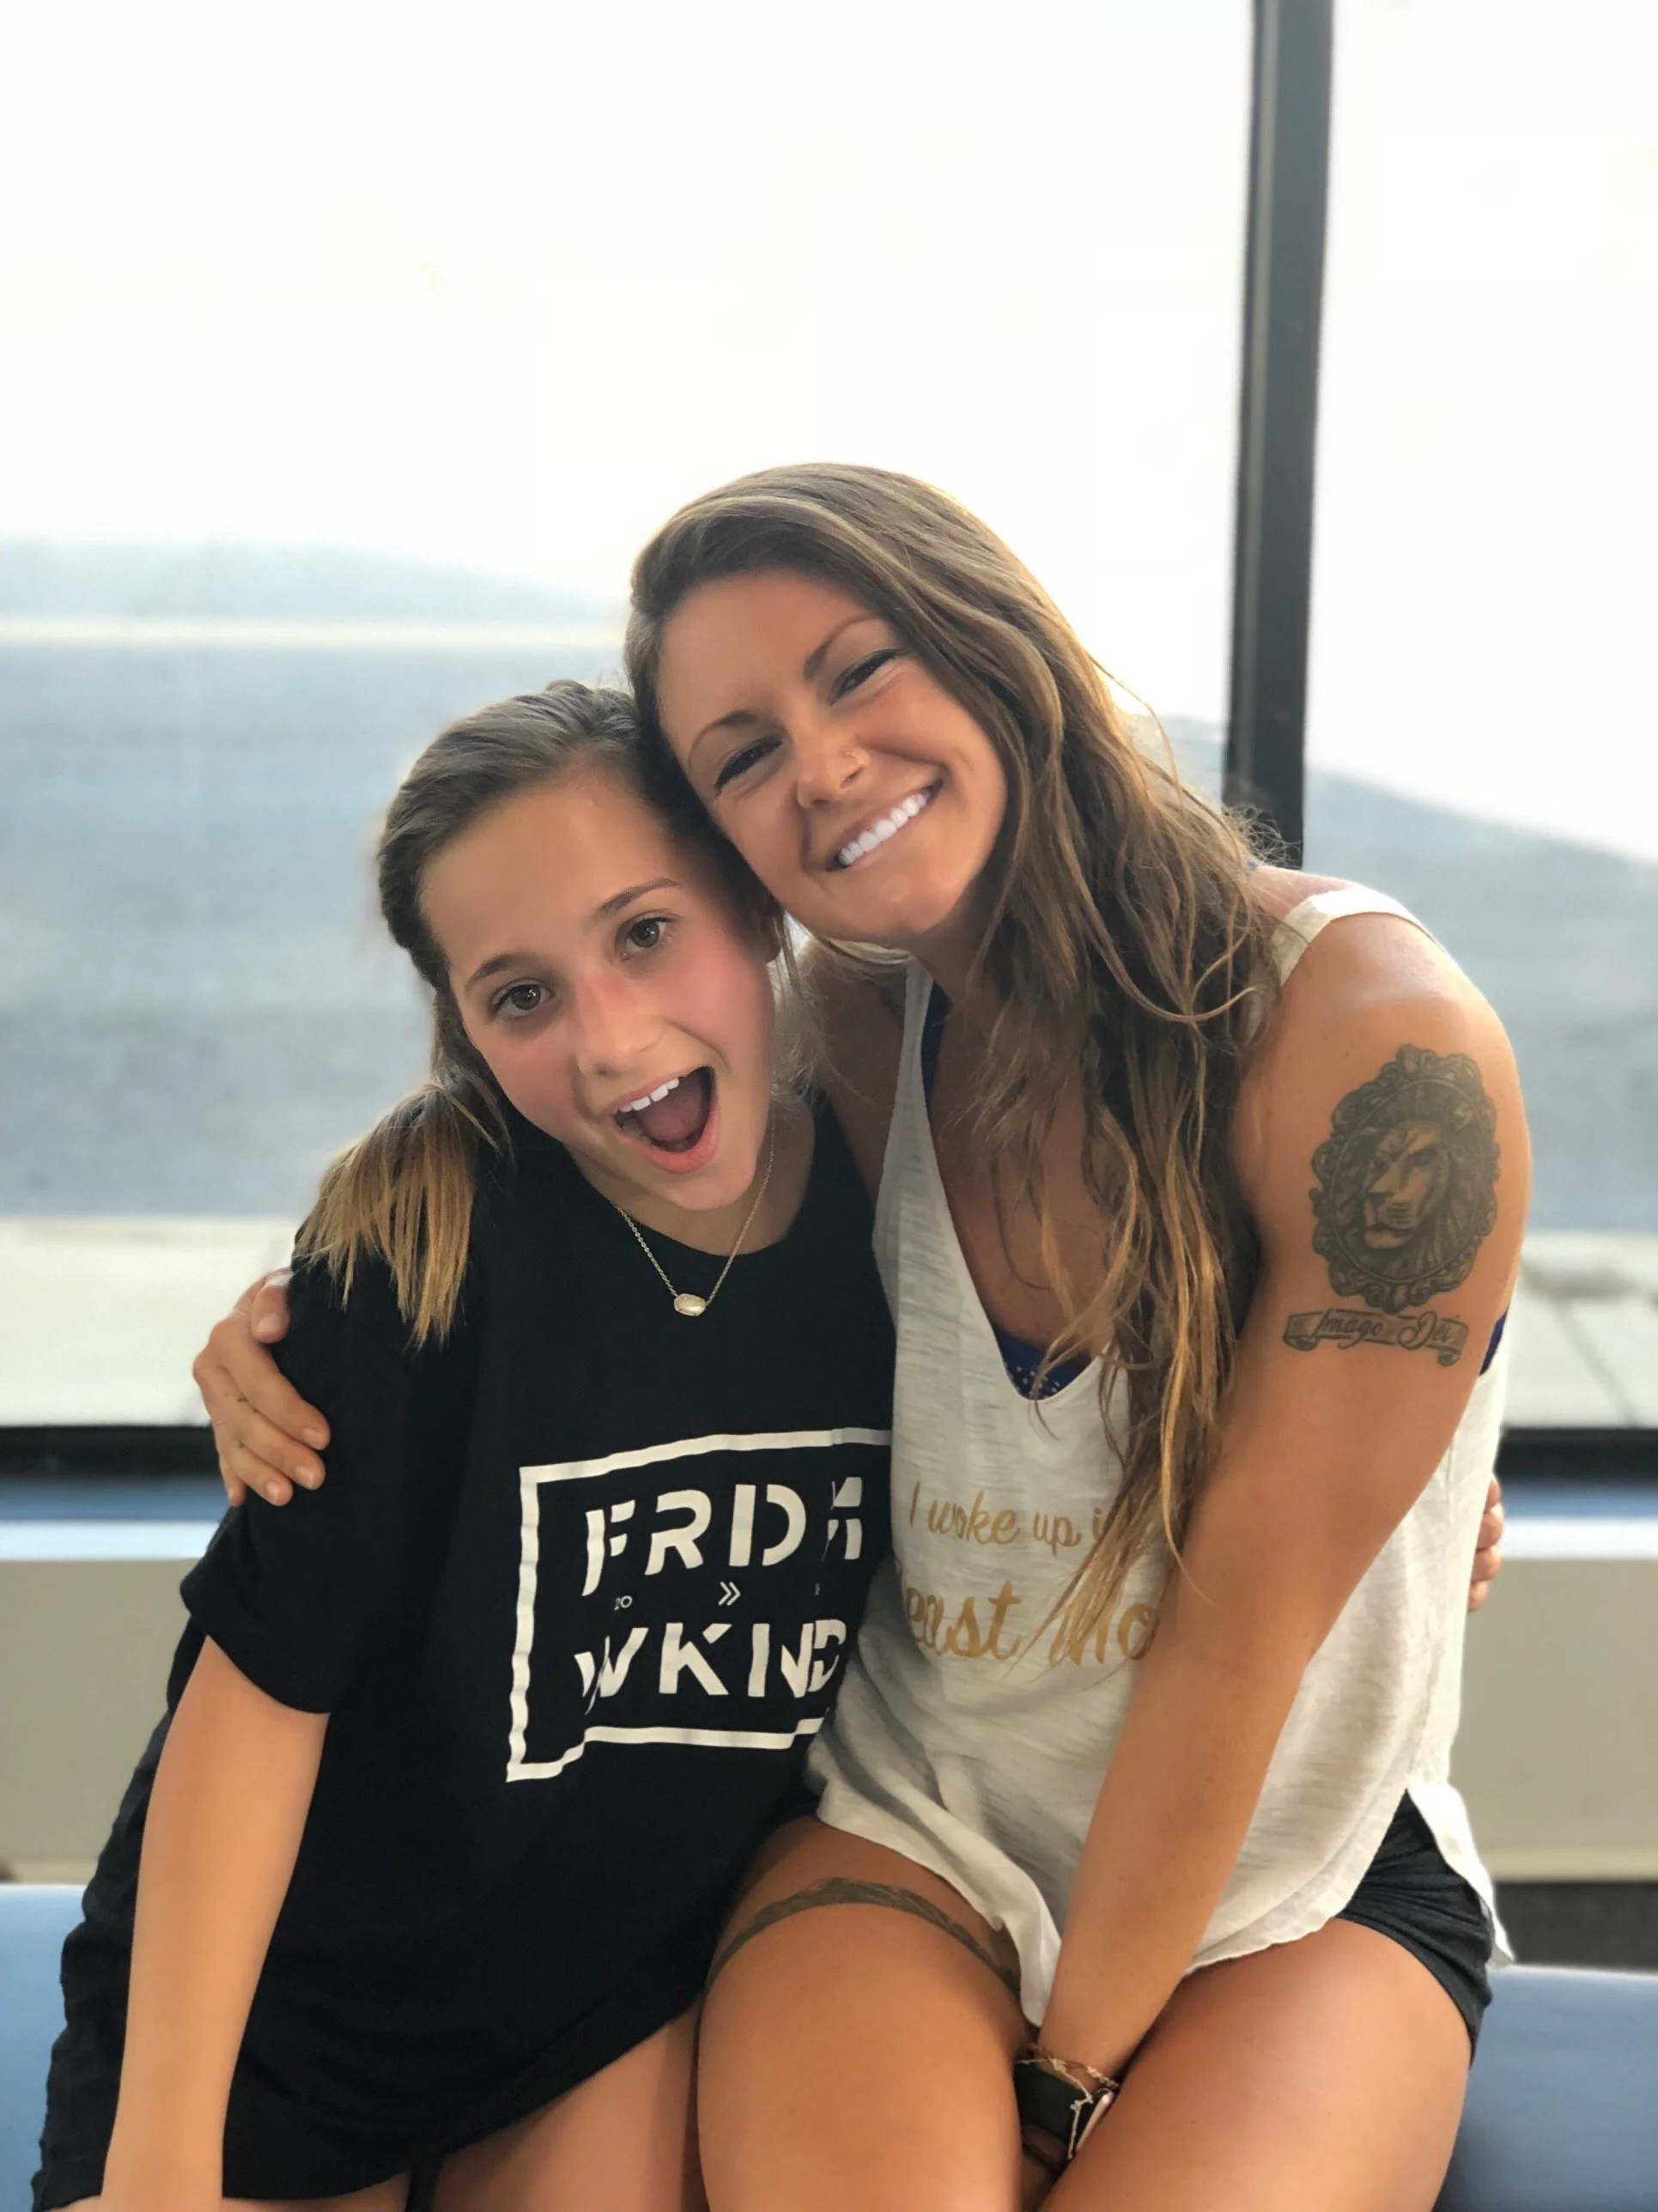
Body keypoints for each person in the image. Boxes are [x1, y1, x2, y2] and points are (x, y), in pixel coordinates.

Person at [198, 465, 1515, 2212]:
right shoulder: (849, 1038)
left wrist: (1066, 2089)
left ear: (991, 644)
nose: (815, 765)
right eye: (739, 752)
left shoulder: (1366, 1037)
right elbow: (578, 1079)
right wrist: (300, 1315)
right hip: (912, 1833)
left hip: (1300, 1877)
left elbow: (1234, 1642)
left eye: (855, 668)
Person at [33, 681, 892, 2212]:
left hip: (604, 2009)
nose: (612, 1035)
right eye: (521, 996)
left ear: (758, 909)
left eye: (644, 932)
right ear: (467, 1033)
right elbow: (255, 1704)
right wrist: (164, 2160)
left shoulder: (904, 1228)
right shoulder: (421, 1258)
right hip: (291, 2017)